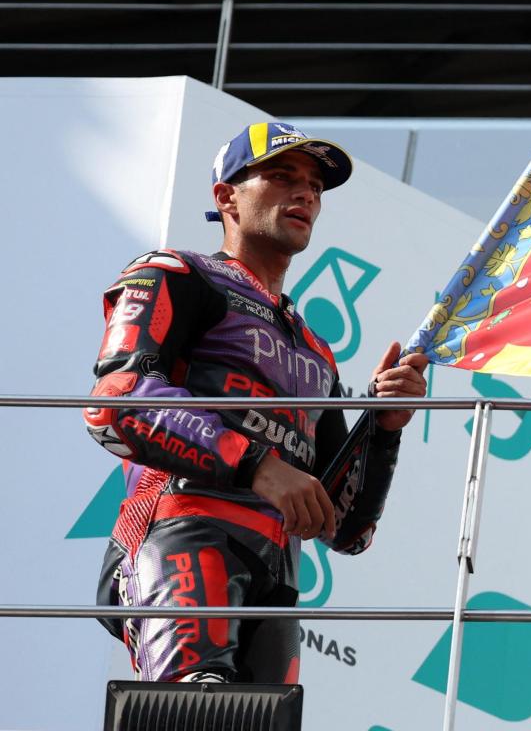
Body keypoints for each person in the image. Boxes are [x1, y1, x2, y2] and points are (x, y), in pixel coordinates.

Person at [85, 122, 430, 684]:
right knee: (194, 715)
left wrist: (384, 426)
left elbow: (344, 527)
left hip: (279, 577)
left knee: (262, 721)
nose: (305, 194)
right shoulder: (178, 274)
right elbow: (115, 402)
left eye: (315, 186)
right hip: (185, 529)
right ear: (227, 197)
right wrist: (260, 466)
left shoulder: (317, 351)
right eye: (281, 176)